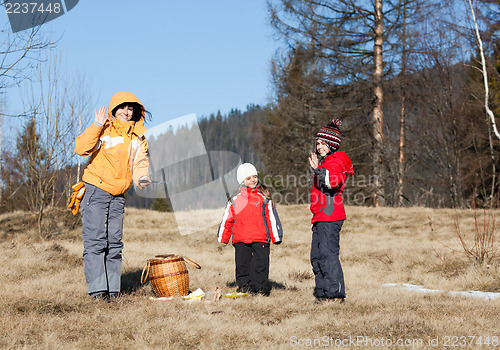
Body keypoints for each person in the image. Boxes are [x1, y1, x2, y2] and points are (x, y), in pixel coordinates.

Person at [74, 91, 152, 300]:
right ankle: (98, 292)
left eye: (130, 109)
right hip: (96, 190)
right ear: (114, 109)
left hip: (118, 196)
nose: (126, 112)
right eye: (122, 108)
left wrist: (142, 177)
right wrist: (96, 125)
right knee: (96, 242)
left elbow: (140, 162)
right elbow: (81, 148)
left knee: (114, 244)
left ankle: (113, 292)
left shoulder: (138, 136)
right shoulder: (105, 129)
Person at [217, 163, 283, 296]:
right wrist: (223, 237)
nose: (253, 180)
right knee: (242, 265)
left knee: (260, 265)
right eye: (248, 178)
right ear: (242, 181)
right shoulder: (235, 200)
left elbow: (271, 218)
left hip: (260, 238)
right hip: (241, 238)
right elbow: (227, 220)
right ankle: (244, 287)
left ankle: (260, 288)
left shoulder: (264, 198)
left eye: (255, 177)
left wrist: (276, 236)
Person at [308, 119, 353, 303]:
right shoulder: (326, 163)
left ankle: (335, 294)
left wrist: (318, 169)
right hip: (321, 216)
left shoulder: (336, 162)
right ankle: (323, 294)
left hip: (330, 215)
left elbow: (332, 181)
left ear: (332, 144)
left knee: (327, 256)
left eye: (322, 143)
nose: (319, 147)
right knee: (317, 257)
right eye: (317, 143)